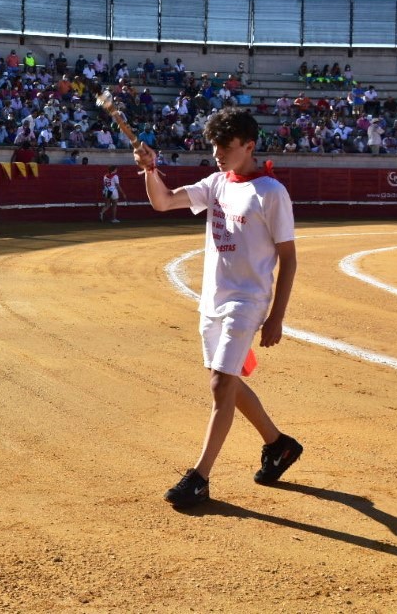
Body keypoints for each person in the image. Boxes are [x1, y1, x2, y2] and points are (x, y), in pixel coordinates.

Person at [134, 108, 300, 509]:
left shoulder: (271, 192)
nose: (217, 153)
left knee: (221, 385)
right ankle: (278, 444)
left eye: (225, 146)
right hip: (213, 300)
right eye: (214, 146)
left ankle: (200, 477)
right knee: (224, 381)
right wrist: (150, 169)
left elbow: (289, 258)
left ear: (249, 145)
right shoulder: (216, 183)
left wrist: (276, 316)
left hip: (248, 301)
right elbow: (163, 202)